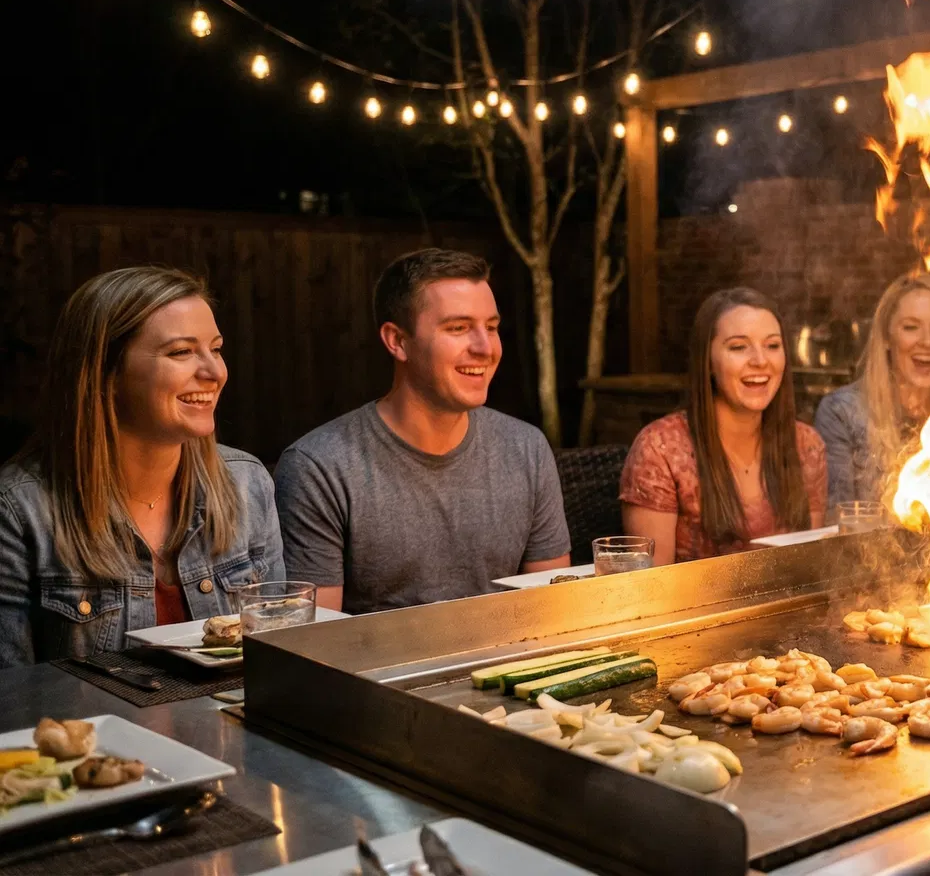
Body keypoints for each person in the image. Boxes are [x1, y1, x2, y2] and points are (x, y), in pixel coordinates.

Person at [0, 267, 284, 665]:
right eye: (181, 352)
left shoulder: (246, 482)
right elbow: (11, 700)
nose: (214, 372)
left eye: (216, 349)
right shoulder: (19, 510)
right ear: (106, 373)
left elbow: (278, 656)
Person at [275, 249, 570, 614]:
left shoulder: (526, 448)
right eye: (458, 328)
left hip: (507, 665)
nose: (484, 348)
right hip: (376, 670)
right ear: (397, 341)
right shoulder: (319, 467)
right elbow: (312, 645)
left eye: (491, 328)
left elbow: (553, 612)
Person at [620, 288, 827, 564]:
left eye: (773, 345)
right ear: (707, 361)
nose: (760, 360)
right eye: (738, 347)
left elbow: (810, 565)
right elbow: (652, 586)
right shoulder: (660, 449)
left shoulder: (806, 445)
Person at [813, 273, 930, 509]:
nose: (927, 341)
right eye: (911, 327)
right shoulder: (842, 413)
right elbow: (841, 519)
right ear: (887, 338)